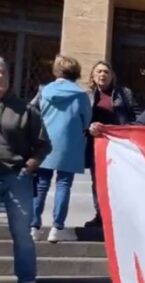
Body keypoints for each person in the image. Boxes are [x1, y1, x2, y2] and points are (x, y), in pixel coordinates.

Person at [0, 56, 51, 283]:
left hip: (16, 177)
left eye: (3, 72)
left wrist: (30, 165)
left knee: (22, 232)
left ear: (9, 77)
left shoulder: (25, 110)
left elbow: (44, 144)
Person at [31, 55, 91, 243]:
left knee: (41, 185)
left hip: (45, 141)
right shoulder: (80, 94)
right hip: (70, 143)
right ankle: (56, 228)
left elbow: (34, 112)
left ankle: (34, 226)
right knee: (64, 185)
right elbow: (86, 120)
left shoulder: (45, 90)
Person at [84, 60, 140, 228]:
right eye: (99, 72)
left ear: (112, 76)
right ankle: (100, 215)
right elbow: (80, 119)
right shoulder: (86, 95)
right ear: (93, 76)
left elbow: (137, 115)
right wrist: (89, 128)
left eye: (106, 72)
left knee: (118, 181)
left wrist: (130, 132)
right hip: (96, 144)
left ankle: (118, 215)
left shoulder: (124, 93)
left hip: (118, 145)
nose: (103, 75)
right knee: (98, 181)